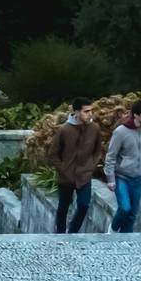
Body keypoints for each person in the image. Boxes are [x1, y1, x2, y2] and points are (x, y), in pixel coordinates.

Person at [47, 97, 101, 234]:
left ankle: (72, 233)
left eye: (91, 111)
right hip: (67, 177)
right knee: (63, 207)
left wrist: (91, 166)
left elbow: (98, 151)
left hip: (85, 176)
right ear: (76, 112)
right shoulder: (64, 130)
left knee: (84, 205)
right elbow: (53, 154)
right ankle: (60, 234)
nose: (90, 114)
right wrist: (63, 169)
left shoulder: (94, 128)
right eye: (86, 111)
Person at [104, 99, 141, 233]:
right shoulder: (121, 132)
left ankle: (126, 241)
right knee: (125, 208)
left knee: (133, 214)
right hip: (122, 177)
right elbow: (111, 156)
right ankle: (113, 230)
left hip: (138, 178)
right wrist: (110, 179)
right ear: (136, 115)